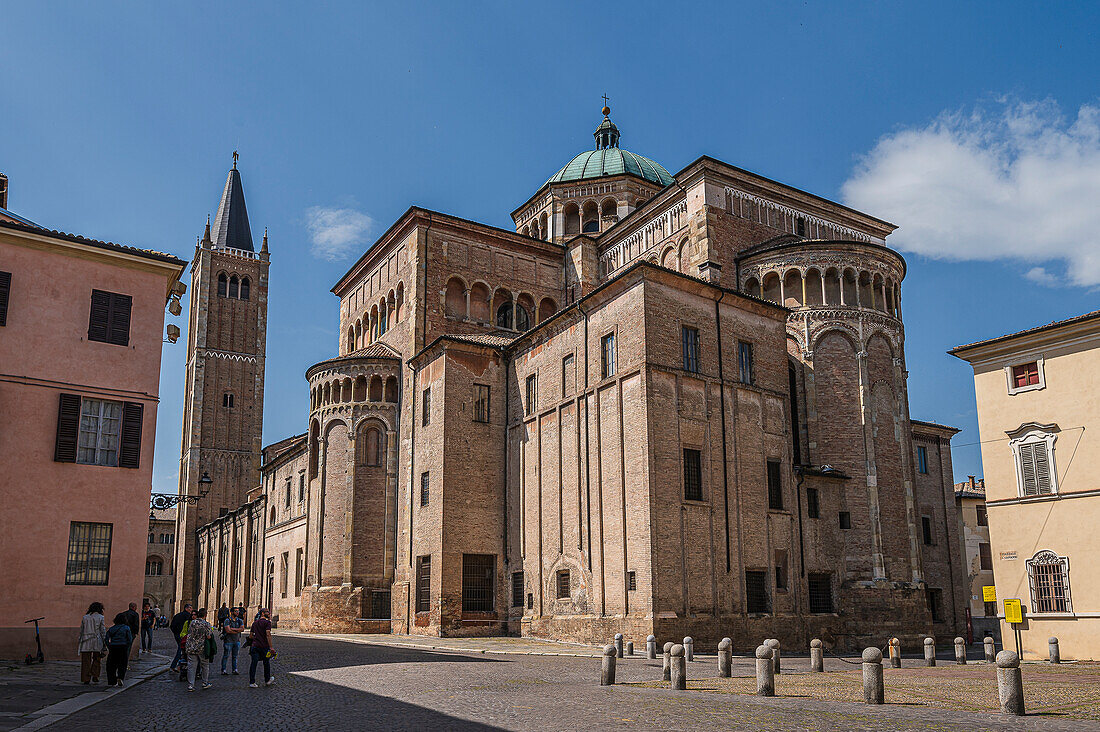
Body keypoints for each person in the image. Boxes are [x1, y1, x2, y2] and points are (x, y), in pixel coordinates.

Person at [184, 608, 215, 692]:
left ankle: (191, 685)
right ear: (205, 615)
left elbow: (189, 632)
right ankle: (205, 682)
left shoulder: (192, 623)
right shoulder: (206, 624)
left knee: (191, 667)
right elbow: (209, 636)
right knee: (205, 665)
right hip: (202, 648)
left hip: (191, 647)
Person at [78, 602, 107, 684]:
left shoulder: (85, 617)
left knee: (86, 660)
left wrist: (80, 639)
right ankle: (95, 675)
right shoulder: (101, 617)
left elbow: (81, 630)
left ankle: (85, 678)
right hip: (97, 640)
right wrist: (105, 641)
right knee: (97, 659)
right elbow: (102, 631)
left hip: (86, 640)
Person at [248, 607, 275, 688]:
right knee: (266, 663)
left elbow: (250, 635)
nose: (269, 613)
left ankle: (252, 682)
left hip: (255, 646)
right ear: (262, 613)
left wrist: (257, 638)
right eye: (267, 612)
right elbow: (268, 634)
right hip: (264, 646)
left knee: (253, 664)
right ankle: (267, 680)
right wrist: (271, 647)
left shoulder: (255, 623)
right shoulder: (267, 623)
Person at [104, 613, 134, 687]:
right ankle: (120, 677)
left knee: (111, 665)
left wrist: (109, 646)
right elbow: (129, 639)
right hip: (123, 647)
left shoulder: (112, 628)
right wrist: (127, 646)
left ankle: (112, 680)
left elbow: (106, 639)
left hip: (113, 647)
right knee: (122, 664)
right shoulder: (126, 628)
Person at [169, 603, 193, 673]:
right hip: (184, 636)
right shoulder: (188, 616)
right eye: (190, 608)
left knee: (182, 650)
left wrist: (176, 633)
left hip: (177, 635)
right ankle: (174, 666)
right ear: (186, 608)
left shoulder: (177, 615)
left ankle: (179, 666)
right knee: (181, 651)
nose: (191, 609)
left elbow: (172, 626)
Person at [221, 606, 244, 675]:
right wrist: (237, 630)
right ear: (231, 612)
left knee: (235, 656)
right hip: (228, 641)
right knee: (226, 656)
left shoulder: (240, 620)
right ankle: (223, 670)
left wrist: (232, 629)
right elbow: (228, 631)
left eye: (238, 611)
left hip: (237, 641)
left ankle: (234, 669)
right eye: (236, 611)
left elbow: (242, 629)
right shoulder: (227, 620)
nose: (237, 612)